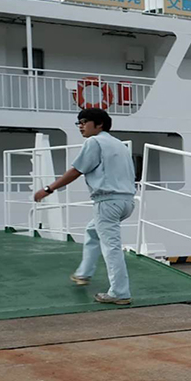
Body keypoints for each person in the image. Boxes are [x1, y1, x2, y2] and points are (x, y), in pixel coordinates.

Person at [34, 109, 136, 304]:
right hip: (127, 202)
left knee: (111, 248)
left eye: (84, 121)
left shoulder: (94, 142)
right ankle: (83, 273)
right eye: (78, 122)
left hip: (107, 201)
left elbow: (76, 171)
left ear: (99, 125)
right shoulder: (119, 144)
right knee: (92, 231)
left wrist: (48, 189)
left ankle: (119, 293)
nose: (80, 125)